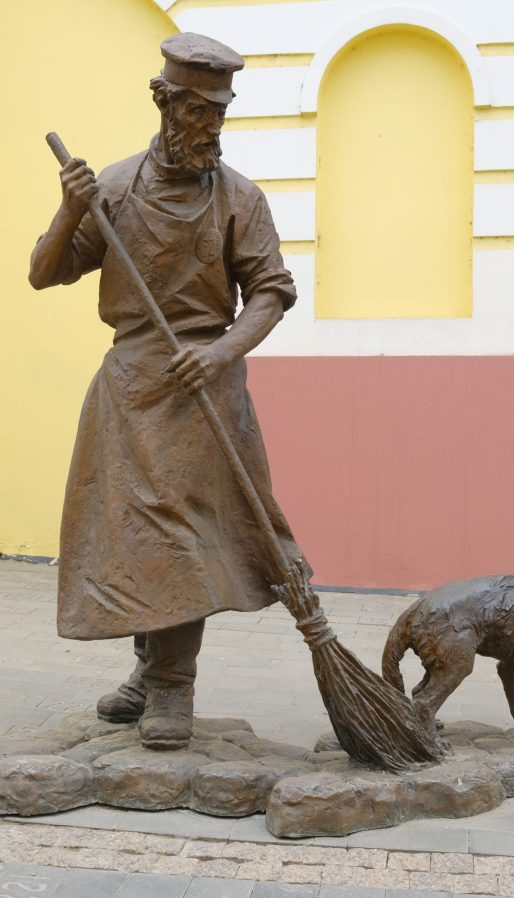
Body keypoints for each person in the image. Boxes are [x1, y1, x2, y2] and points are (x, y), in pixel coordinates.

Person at [29, 33, 307, 751]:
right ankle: (151, 674)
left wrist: (218, 354)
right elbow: (44, 272)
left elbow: (272, 293)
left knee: (183, 540)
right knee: (133, 541)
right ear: (167, 103)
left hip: (204, 389)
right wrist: (70, 211)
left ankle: (173, 690)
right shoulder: (114, 188)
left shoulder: (240, 196)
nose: (212, 128)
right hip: (130, 388)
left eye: (220, 114)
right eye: (199, 114)